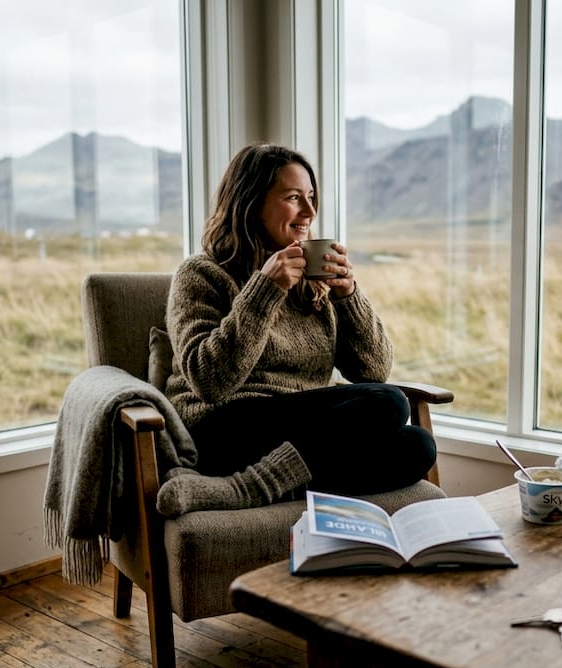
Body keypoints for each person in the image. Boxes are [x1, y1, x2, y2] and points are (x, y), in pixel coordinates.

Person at [159, 143, 437, 506]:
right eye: (294, 197)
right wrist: (265, 289)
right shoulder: (201, 274)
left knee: (417, 446)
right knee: (388, 403)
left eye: (311, 197)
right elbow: (210, 381)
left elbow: (373, 370)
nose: (309, 211)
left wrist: (348, 295)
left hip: (302, 434)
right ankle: (249, 486)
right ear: (252, 203)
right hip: (222, 428)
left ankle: (250, 488)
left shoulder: (313, 281)